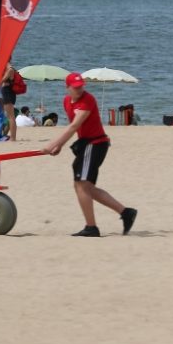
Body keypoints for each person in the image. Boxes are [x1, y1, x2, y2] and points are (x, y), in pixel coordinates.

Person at [42, 72, 137, 237]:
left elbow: (74, 126)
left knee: (81, 185)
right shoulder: (67, 101)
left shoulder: (88, 100)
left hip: (96, 143)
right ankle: (126, 212)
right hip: (87, 144)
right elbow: (74, 127)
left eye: (81, 87)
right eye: (75, 87)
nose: (79, 90)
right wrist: (60, 146)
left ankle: (91, 227)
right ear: (68, 88)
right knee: (85, 187)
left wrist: (53, 144)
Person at [0, 59, 19, 141]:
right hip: (8, 92)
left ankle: (13, 138)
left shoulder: (10, 69)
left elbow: (1, 80)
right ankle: (12, 137)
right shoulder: (9, 69)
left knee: (11, 116)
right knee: (10, 116)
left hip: (8, 92)